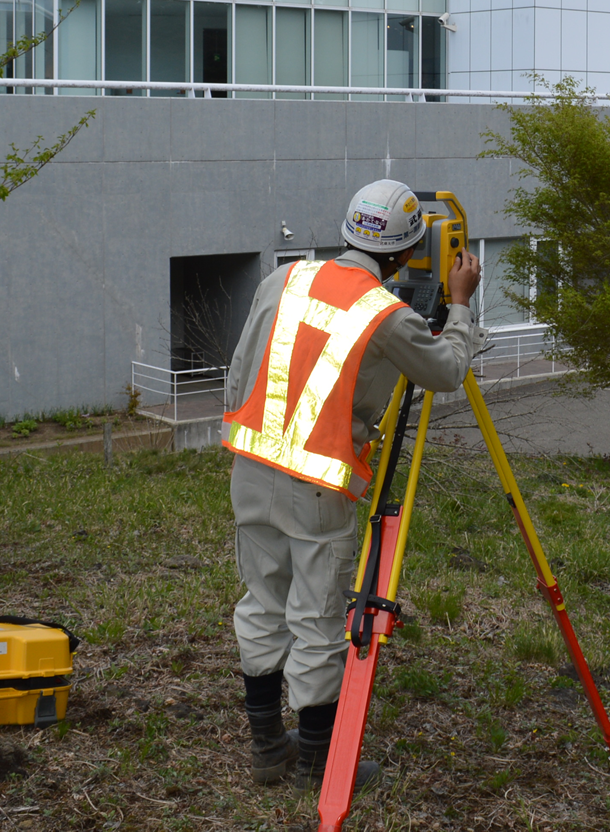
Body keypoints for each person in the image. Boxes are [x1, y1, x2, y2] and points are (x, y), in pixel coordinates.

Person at [222, 179, 484, 791]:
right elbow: (446, 370)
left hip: (251, 466)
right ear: (406, 253)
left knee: (261, 605)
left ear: (347, 232)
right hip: (318, 487)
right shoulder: (386, 315)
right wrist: (462, 305)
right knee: (315, 620)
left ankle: (267, 749)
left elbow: (240, 370)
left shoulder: (282, 279)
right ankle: (316, 763)